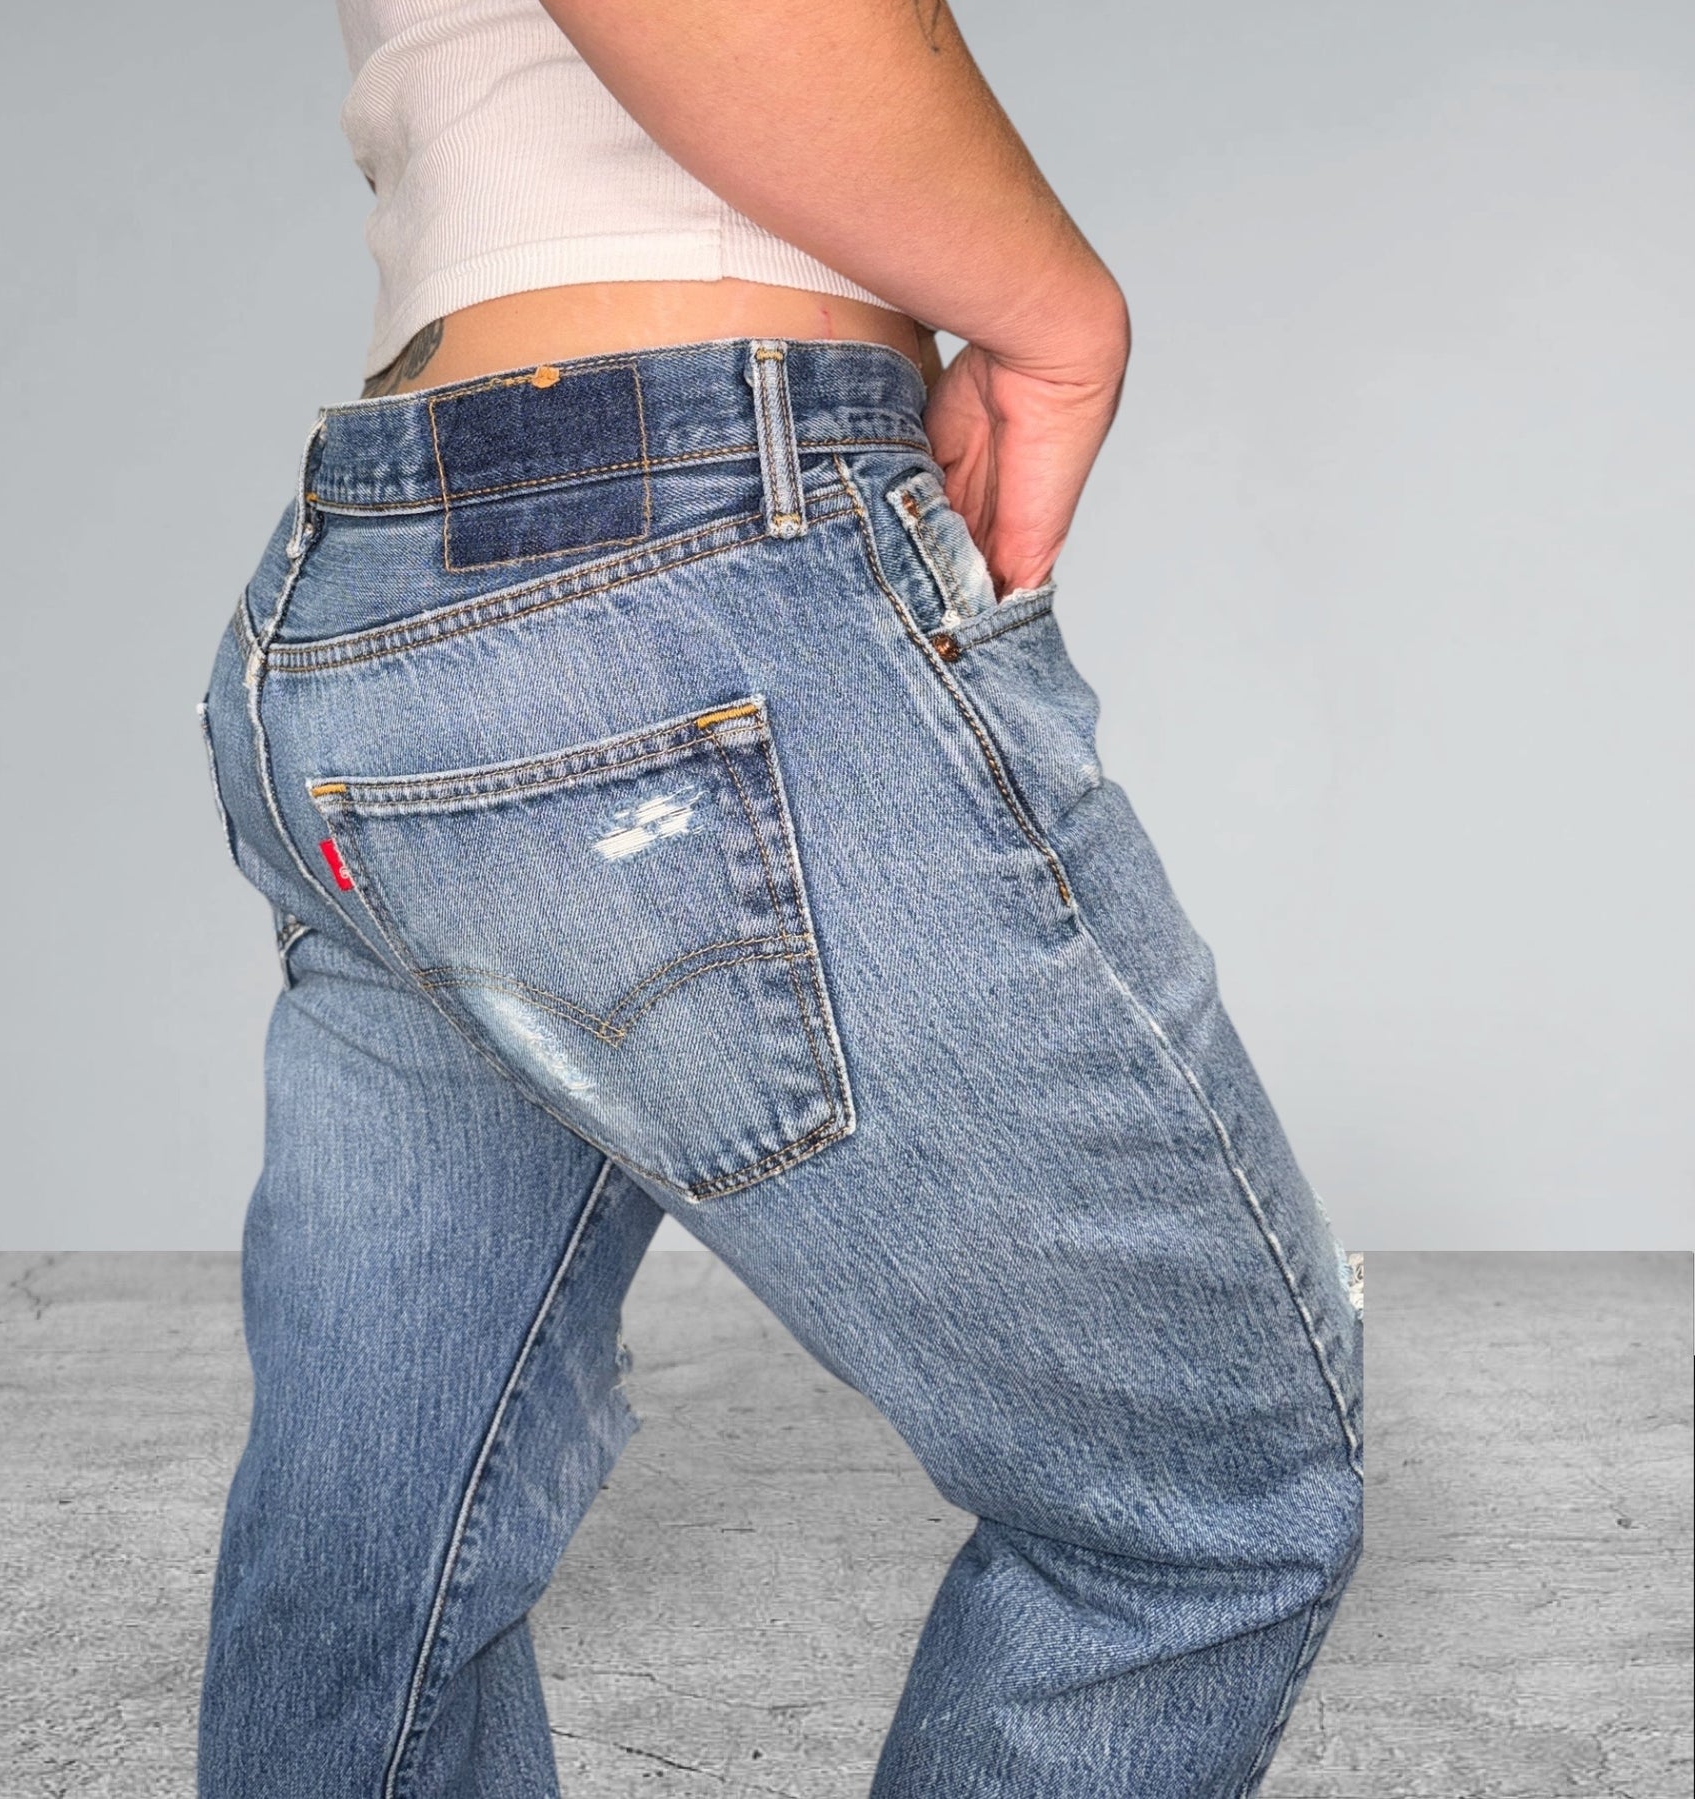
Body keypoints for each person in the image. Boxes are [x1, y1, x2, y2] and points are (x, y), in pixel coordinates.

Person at [193, 2, 1365, 1793]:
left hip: (367, 602)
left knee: (378, 1561)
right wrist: (1061, 317)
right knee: (1210, 1505)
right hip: (667, 568)